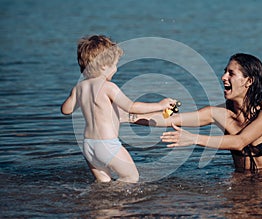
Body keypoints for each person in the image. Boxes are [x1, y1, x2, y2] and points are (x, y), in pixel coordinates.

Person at [127, 53, 262, 173]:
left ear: (248, 81)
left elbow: (239, 141)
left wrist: (193, 138)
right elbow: (171, 119)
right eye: (224, 72)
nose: (223, 77)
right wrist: (127, 117)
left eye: (231, 73)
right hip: (240, 179)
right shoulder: (220, 113)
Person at [61, 35, 176, 183]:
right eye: (114, 65)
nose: (115, 69)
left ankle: (102, 204)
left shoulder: (79, 88)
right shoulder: (108, 87)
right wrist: (160, 105)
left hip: (88, 145)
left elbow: (66, 110)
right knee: (131, 177)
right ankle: (118, 200)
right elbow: (131, 107)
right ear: (104, 66)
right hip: (107, 144)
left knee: (104, 184)